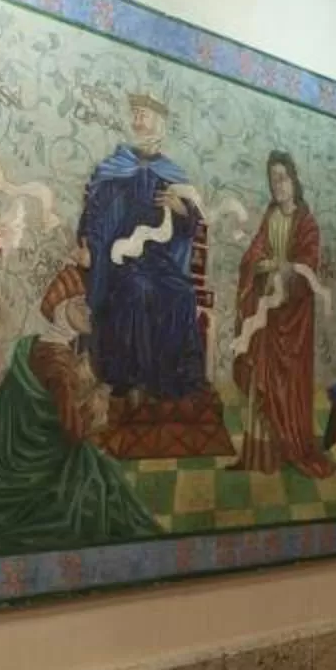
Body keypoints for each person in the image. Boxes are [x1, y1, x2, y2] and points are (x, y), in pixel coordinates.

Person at [0, 260, 157, 555]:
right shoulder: (57, 363)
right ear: (60, 308)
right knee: (103, 486)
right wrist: (97, 416)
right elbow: (71, 429)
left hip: (7, 462)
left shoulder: (33, 346)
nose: (90, 312)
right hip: (37, 468)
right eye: (81, 305)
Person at [77, 89, 228, 457]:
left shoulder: (170, 172)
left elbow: (189, 227)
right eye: (136, 115)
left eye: (145, 115)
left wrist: (180, 209)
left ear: (158, 123)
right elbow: (94, 209)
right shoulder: (116, 166)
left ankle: (168, 379)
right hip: (118, 261)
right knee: (137, 290)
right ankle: (131, 380)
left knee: (180, 293)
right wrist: (84, 242)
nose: (139, 121)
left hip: (157, 259)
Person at [233, 150, 333, 475]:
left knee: (287, 385)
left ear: (293, 179)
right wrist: (261, 265)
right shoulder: (270, 215)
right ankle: (258, 456)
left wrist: (282, 270)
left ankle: (290, 446)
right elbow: (255, 253)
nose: (277, 185)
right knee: (262, 379)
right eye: (272, 179)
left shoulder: (307, 222)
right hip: (267, 311)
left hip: (292, 318)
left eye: (282, 178)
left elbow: (308, 264)